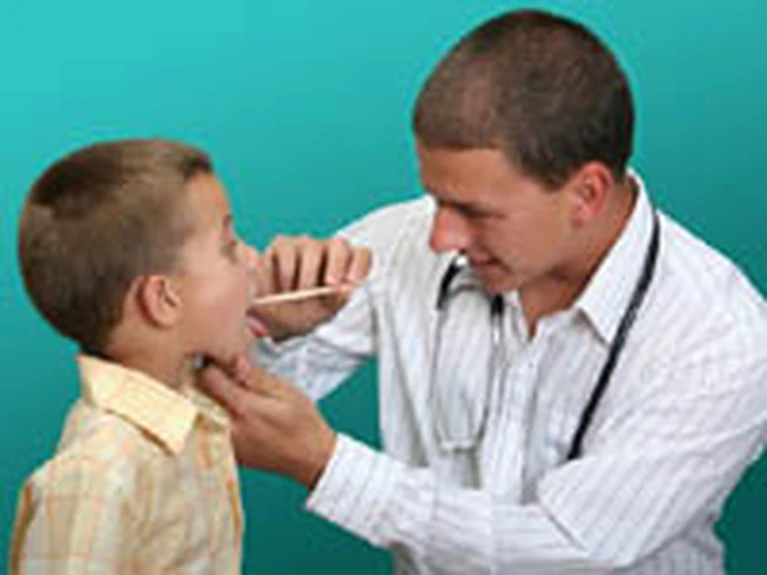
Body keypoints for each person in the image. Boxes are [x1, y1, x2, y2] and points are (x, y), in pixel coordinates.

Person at [200, 9, 767, 574]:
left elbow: (573, 546)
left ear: (587, 194)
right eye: (436, 199)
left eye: (475, 212)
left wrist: (325, 465)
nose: (441, 237)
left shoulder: (724, 340)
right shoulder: (404, 243)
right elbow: (213, 411)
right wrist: (272, 332)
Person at [10, 139, 255, 574]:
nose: (253, 260)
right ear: (163, 299)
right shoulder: (98, 477)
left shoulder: (194, 414)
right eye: (230, 246)